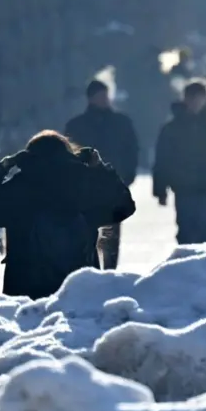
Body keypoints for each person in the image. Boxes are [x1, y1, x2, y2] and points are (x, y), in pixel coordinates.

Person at [0, 130, 135, 300]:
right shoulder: (85, 182)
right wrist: (100, 168)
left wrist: (1, 168)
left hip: (26, 290)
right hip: (80, 288)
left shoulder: (17, 187)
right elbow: (124, 206)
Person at [64, 80, 140, 270]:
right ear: (91, 98)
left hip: (112, 185)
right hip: (84, 187)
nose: (104, 99)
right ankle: (89, 270)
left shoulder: (122, 123)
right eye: (100, 95)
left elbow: (132, 150)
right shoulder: (77, 125)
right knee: (86, 232)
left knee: (112, 232)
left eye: (106, 95)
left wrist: (127, 175)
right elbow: (68, 154)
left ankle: (110, 271)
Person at [152, 80, 206, 245]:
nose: (195, 102)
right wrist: (160, 189)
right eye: (191, 97)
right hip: (183, 188)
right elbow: (162, 159)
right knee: (186, 233)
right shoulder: (172, 128)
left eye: (199, 97)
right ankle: (187, 269)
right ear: (184, 99)